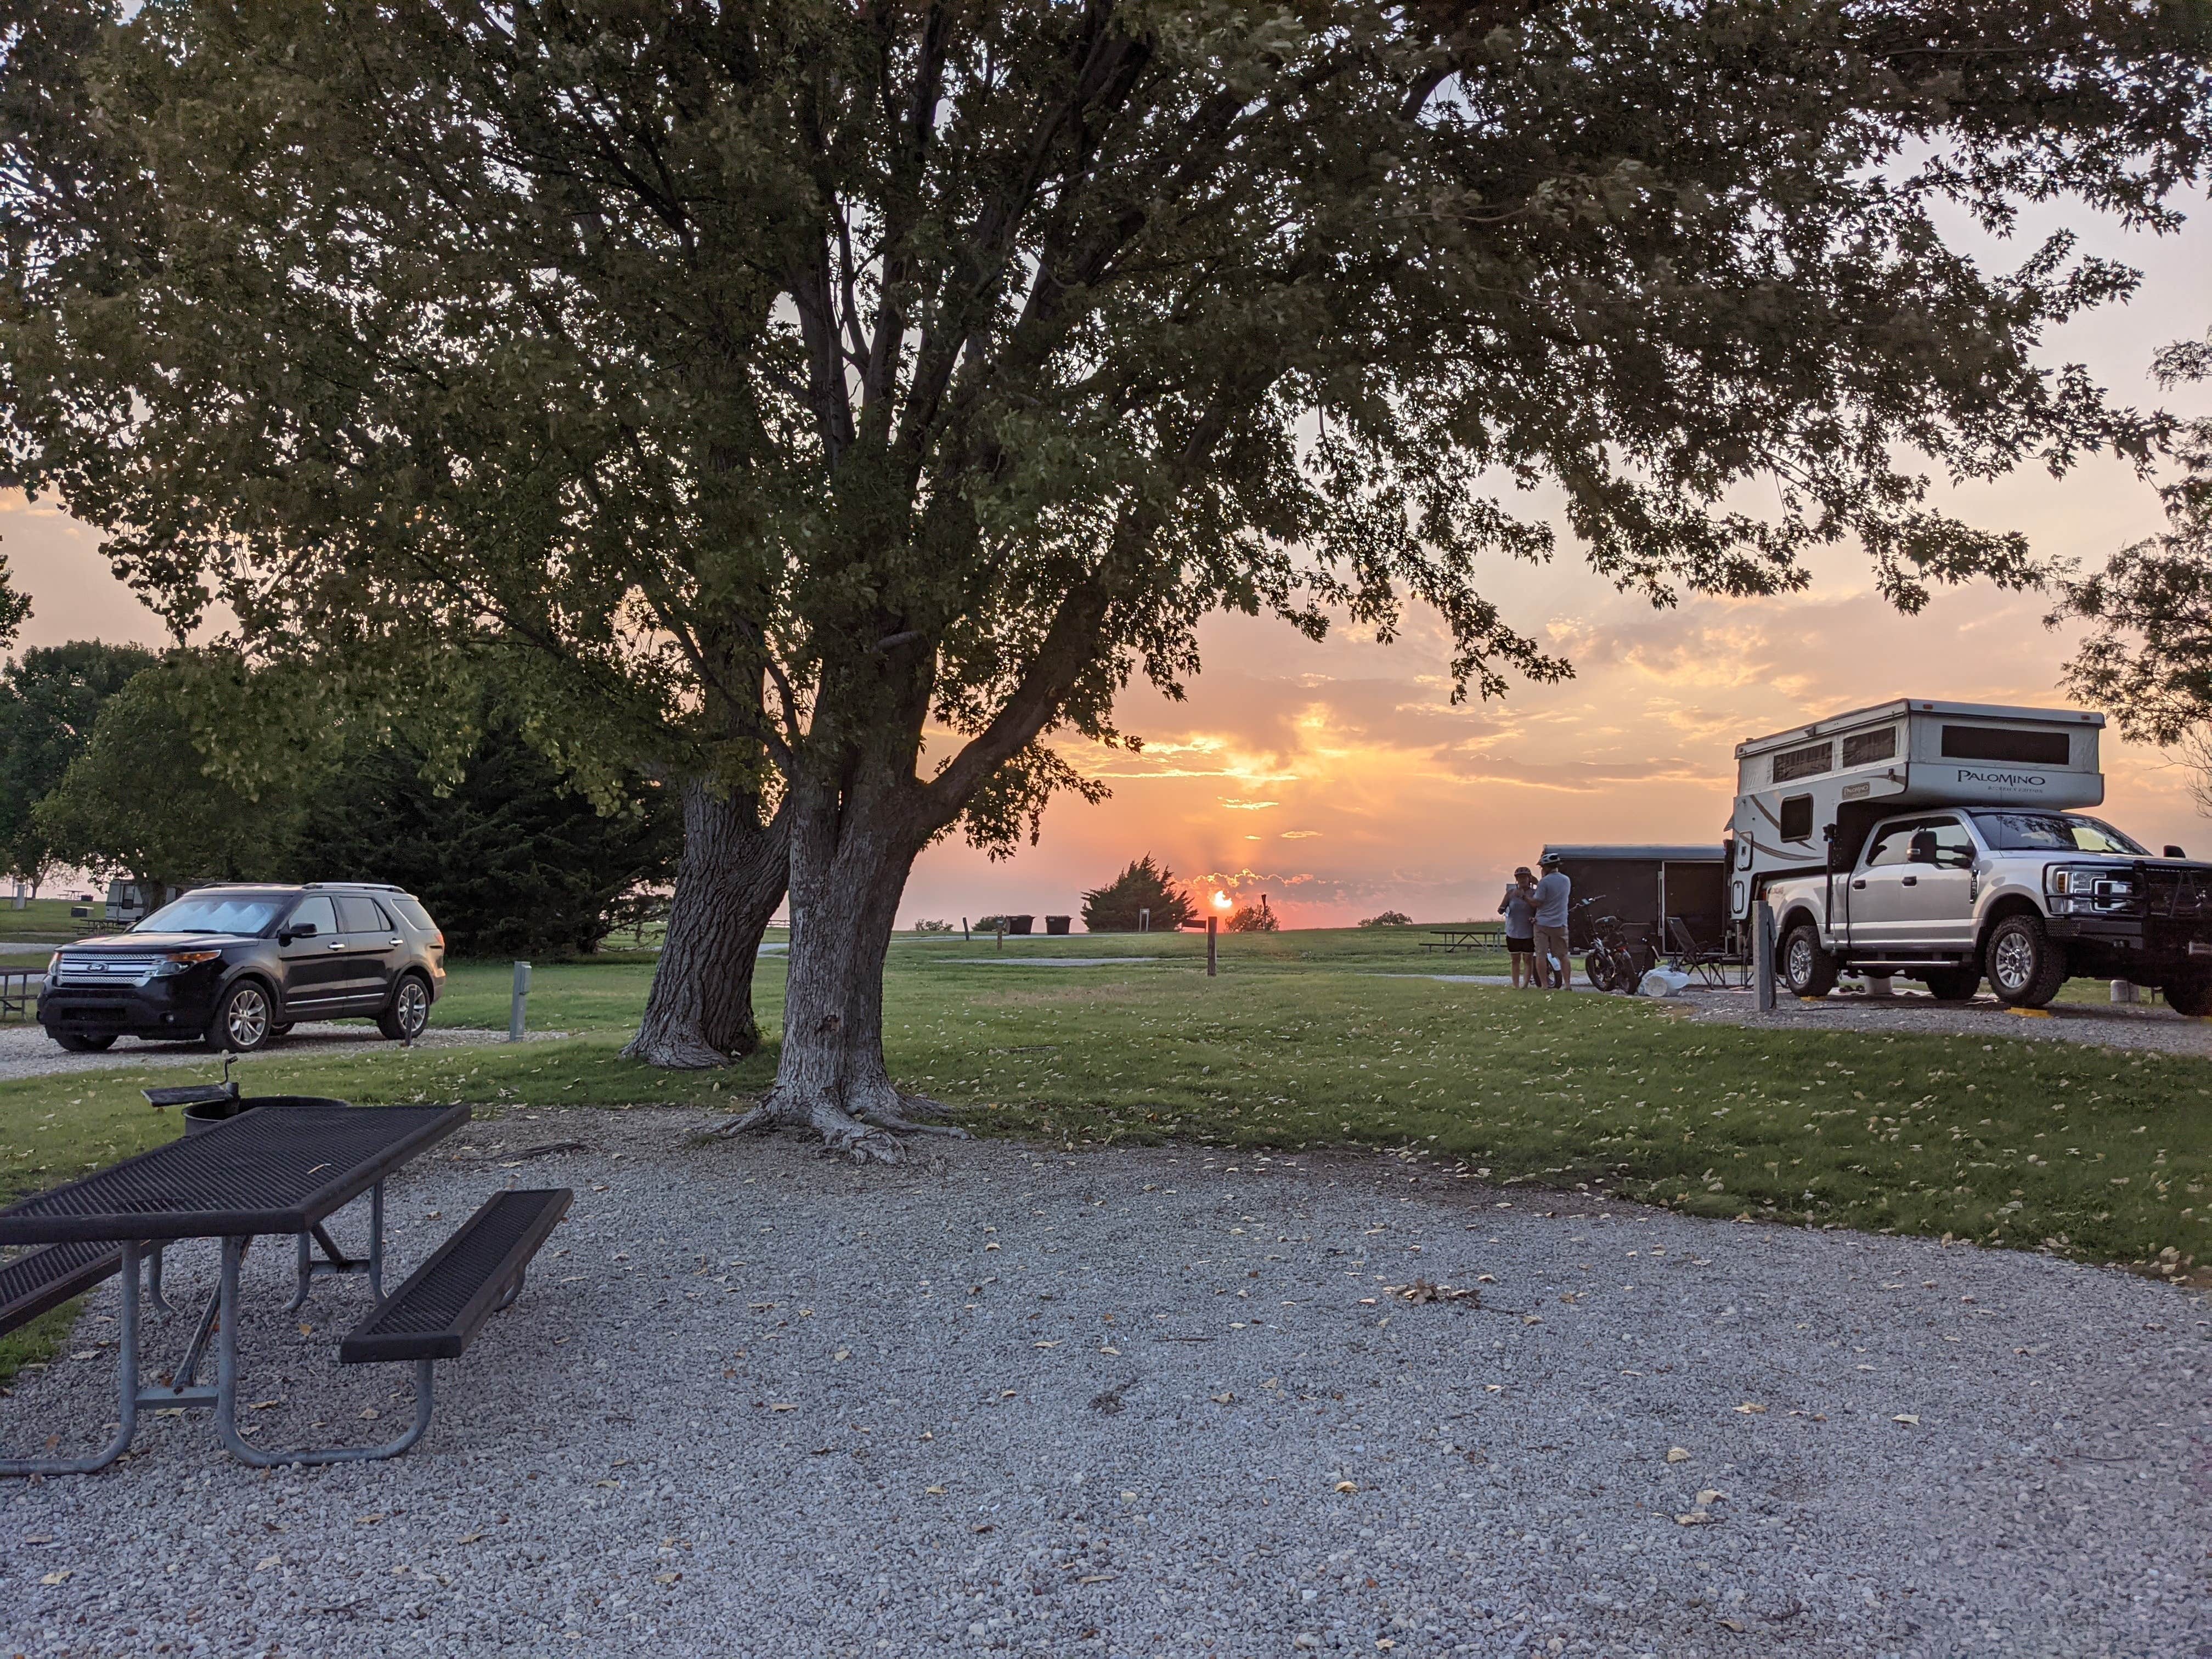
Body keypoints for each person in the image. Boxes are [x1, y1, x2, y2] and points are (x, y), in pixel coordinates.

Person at [1531, 853, 1572, 990]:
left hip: (1542, 923)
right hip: (1560, 923)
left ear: (1546, 868)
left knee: (1541, 954)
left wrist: (1525, 898)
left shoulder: (1544, 882)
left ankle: (1544, 985)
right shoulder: (1566, 880)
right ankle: (1567, 984)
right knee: (1563, 955)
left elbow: (1538, 902)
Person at [1497, 867, 1538, 988]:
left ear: (1529, 878)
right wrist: (1502, 909)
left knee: (1528, 959)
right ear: (1516, 880)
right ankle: (1516, 985)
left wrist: (1525, 898)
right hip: (1513, 931)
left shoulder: (1535, 893)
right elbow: (1501, 908)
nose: (1522, 880)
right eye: (1520, 878)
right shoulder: (1511, 894)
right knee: (1515, 960)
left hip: (1528, 932)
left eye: (1525, 877)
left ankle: (1525, 984)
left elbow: (1539, 907)